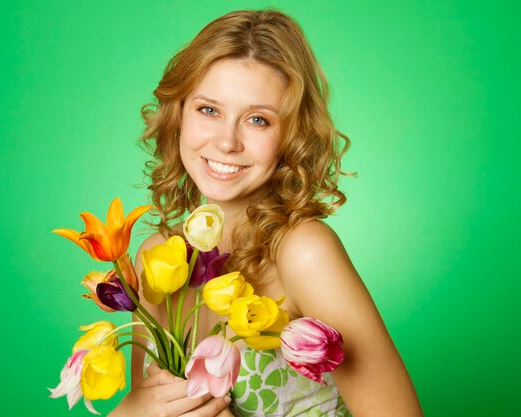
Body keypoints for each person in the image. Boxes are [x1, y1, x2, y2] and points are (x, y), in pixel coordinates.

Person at [109, 9, 423, 417]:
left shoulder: (304, 252)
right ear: (178, 114)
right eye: (209, 110)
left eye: (258, 120)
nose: (226, 141)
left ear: (291, 136)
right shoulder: (157, 257)